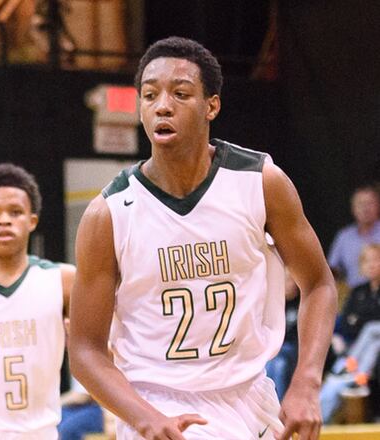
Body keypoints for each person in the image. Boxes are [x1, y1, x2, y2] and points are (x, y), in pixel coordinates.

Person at [68, 36, 337, 440]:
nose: (162, 105)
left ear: (211, 105)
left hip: (250, 397)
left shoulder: (260, 182)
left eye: (179, 93)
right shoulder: (108, 214)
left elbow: (318, 284)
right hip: (158, 403)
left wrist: (306, 383)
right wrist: (143, 417)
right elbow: (85, 351)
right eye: (149, 95)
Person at [0, 163, 74, 439]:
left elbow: (104, 347)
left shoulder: (64, 280)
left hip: (41, 433)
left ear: (32, 220)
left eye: (15, 212)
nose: (4, 220)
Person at [320, 243, 380, 422]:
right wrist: (336, 337)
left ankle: (351, 367)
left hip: (366, 352)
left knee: (372, 331)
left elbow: (359, 322)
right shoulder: (358, 292)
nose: (371, 265)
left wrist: (359, 322)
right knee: (331, 387)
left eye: (376, 260)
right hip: (357, 348)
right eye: (366, 261)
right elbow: (344, 324)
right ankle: (317, 429)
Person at [328, 185, 380, 289]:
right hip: (355, 297)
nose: (365, 208)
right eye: (360, 204)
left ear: (378, 205)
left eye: (369, 203)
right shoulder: (344, 236)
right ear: (353, 208)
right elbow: (332, 269)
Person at [265, 271, 301, 400]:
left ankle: (279, 406)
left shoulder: (302, 303)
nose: (288, 284)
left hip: (294, 350)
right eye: (285, 280)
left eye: (291, 280)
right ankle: (268, 404)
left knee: (279, 364)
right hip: (273, 350)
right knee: (271, 364)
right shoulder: (271, 302)